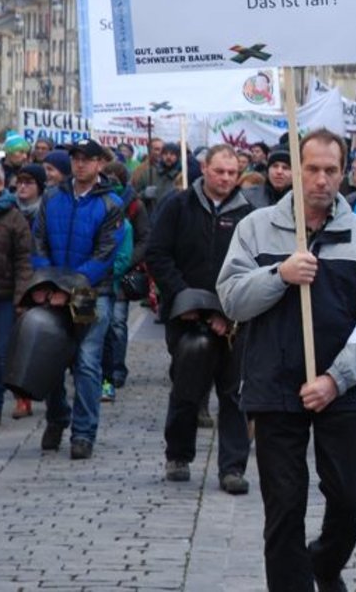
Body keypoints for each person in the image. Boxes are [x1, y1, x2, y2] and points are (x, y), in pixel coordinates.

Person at [217, 129, 356, 592]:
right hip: (274, 386)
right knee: (284, 506)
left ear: (344, 172)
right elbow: (233, 300)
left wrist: (335, 380)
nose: (321, 179)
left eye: (331, 170)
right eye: (312, 169)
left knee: (348, 497)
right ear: (295, 171)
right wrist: (279, 274)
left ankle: (325, 560)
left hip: (343, 389)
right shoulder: (255, 228)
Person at [147, 145, 259, 494]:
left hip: (234, 317)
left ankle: (232, 467)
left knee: (234, 394)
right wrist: (183, 298)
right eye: (219, 171)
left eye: (231, 172)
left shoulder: (249, 215)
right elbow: (157, 254)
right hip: (187, 314)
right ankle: (178, 455)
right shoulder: (178, 205)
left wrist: (229, 312)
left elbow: (256, 266)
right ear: (204, 169)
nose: (225, 178)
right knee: (187, 388)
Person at [32, 139, 127, 459]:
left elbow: (103, 257)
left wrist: (68, 289)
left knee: (86, 362)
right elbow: (39, 242)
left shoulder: (111, 204)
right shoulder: (52, 196)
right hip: (53, 287)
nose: (80, 164)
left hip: (89, 293)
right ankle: (58, 416)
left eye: (87, 159)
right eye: (76, 159)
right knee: (50, 357)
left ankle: (84, 432)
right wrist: (47, 282)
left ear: (100, 164)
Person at [0, 159, 33, 426]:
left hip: (1, 295)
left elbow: (24, 259)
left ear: (1, 185)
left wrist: (21, 296)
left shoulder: (14, 217)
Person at [100, 161, 151, 400]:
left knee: (117, 324)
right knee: (94, 326)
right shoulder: (96, 202)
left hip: (120, 273)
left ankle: (116, 370)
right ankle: (96, 372)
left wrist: (127, 261)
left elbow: (144, 238)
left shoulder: (134, 206)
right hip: (95, 275)